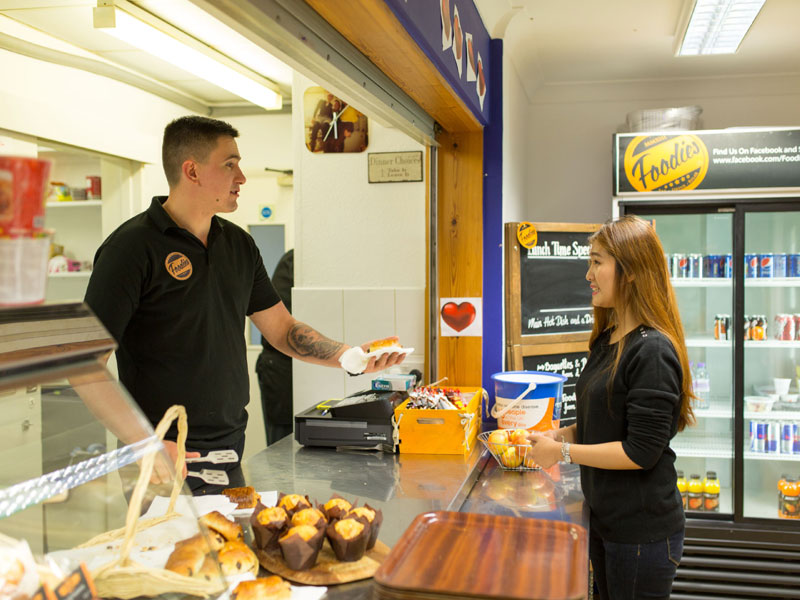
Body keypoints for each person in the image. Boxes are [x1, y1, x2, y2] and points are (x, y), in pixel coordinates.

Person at [84, 115, 404, 494]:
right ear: (192, 171)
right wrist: (143, 441)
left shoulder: (238, 244)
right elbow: (86, 364)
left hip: (229, 446)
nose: (242, 178)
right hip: (161, 456)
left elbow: (282, 330)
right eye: (230, 165)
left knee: (233, 535)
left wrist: (350, 357)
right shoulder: (130, 248)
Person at [527, 215, 695, 599]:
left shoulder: (652, 351)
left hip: (641, 534)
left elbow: (641, 452)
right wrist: (562, 434)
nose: (588, 274)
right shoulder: (609, 338)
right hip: (607, 523)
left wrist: (563, 452)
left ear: (631, 271)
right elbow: (605, 420)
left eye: (597, 262)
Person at [256, 248, 294, 445]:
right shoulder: (295, 261)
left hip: (289, 365)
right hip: (280, 371)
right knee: (281, 446)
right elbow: (281, 329)